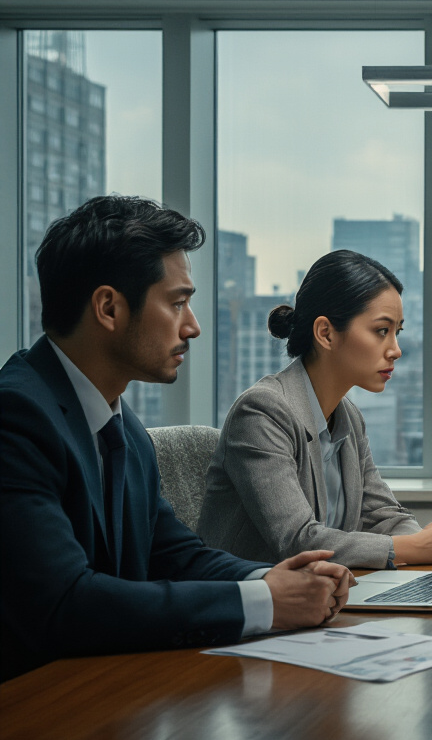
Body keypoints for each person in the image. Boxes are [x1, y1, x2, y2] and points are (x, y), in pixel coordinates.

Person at [0, 195, 352, 681]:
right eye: (177, 302)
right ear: (108, 308)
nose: (193, 326)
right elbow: (64, 603)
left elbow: (173, 555)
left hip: (110, 692)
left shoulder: (123, 429)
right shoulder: (16, 417)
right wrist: (264, 603)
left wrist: (271, 579)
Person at [198, 251, 432, 569]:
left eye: (396, 332)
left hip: (326, 599)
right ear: (326, 333)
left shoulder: (349, 419)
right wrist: (412, 547)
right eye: (381, 331)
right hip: (255, 608)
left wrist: (427, 542)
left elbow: (383, 515)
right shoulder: (261, 412)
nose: (396, 350)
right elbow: (299, 541)